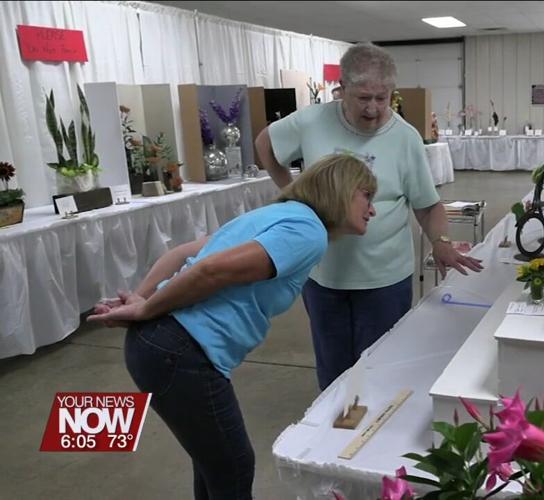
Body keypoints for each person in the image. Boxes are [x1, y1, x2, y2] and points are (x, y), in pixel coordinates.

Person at [87, 154, 377, 500]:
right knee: (233, 467)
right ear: (342, 190)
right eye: (367, 196)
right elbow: (210, 271)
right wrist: (146, 307)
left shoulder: (280, 214)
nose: (372, 209)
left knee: (213, 464)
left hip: (162, 346)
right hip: (181, 351)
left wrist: (141, 298)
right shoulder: (308, 231)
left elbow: (183, 254)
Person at [254, 42, 484, 390]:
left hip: (385, 280)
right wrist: (292, 195)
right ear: (341, 90)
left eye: (383, 97)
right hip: (324, 276)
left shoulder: (404, 137)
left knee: (381, 370)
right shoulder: (312, 120)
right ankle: (333, 436)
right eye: (363, 98)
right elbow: (264, 144)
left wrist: (441, 241)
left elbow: (427, 204)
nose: (374, 108)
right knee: (332, 372)